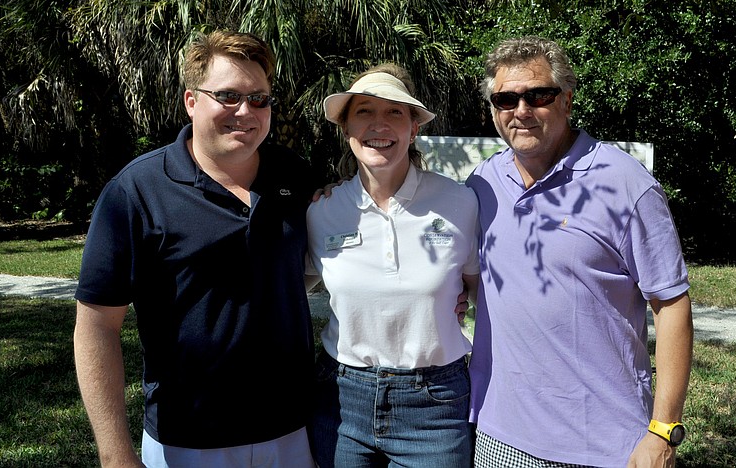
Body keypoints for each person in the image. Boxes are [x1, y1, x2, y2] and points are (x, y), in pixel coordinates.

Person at [73, 29, 316, 467]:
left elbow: (324, 261)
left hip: (293, 433)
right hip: (187, 442)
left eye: (259, 99)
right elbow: (96, 327)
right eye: (228, 95)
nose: (245, 111)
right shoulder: (136, 191)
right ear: (191, 100)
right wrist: (114, 455)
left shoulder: (294, 177)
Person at [466, 36, 694, 468]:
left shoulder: (627, 184)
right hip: (500, 436)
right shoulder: (483, 183)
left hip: (605, 442)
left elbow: (672, 304)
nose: (521, 111)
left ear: (567, 100)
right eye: (506, 99)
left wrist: (664, 431)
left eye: (538, 95)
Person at [306, 63, 480, 467]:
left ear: (414, 127)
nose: (378, 125)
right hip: (342, 399)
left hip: (436, 406)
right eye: (364, 111)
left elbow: (481, 290)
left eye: (395, 112)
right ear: (346, 127)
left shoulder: (459, 202)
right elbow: (286, 287)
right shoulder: (323, 211)